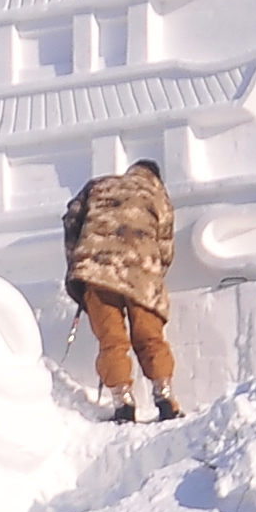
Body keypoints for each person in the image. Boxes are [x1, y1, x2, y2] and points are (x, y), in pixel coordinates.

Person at [62, 158, 182, 421]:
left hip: (96, 270)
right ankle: (165, 398)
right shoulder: (157, 194)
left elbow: (71, 218)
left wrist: (77, 263)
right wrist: (154, 273)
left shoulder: (98, 186)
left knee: (112, 341)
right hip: (143, 273)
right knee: (150, 338)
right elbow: (165, 246)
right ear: (155, 177)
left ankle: (123, 402)